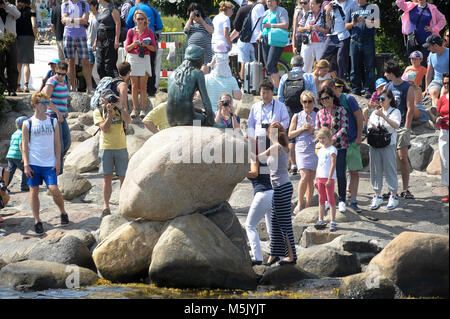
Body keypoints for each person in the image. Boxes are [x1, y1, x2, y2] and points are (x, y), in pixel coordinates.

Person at [22, 92, 69, 235]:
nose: (46, 106)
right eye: (43, 103)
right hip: (34, 162)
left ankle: (63, 212)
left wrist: (58, 161)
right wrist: (26, 164)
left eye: (47, 103)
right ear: (35, 105)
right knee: (34, 190)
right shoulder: (27, 123)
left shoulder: (52, 121)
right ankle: (37, 220)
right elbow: (24, 145)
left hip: (50, 163)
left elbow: (57, 143)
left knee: (54, 188)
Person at [257, 122, 297, 266]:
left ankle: (291, 256)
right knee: (274, 221)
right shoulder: (283, 147)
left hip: (281, 188)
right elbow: (260, 157)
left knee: (284, 223)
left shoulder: (276, 147)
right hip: (282, 187)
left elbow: (260, 157)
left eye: (269, 133)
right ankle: (275, 254)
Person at [327, 78, 363, 212]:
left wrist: (359, 136)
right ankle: (340, 199)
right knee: (339, 173)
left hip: (352, 140)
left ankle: (353, 200)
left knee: (353, 171)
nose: (334, 90)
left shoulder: (349, 99)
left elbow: (359, 117)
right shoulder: (330, 100)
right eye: (333, 87)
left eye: (337, 87)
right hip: (337, 143)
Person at [93, 89, 131, 217]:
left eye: (112, 98)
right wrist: (109, 115)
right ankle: (106, 206)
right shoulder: (98, 111)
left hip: (121, 146)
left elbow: (128, 121)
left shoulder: (120, 108)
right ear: (103, 100)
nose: (111, 101)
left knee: (123, 178)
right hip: (106, 148)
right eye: (108, 99)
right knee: (107, 178)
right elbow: (104, 128)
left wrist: (120, 107)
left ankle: (123, 204)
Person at [278, 55, 317, 174]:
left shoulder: (285, 77)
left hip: (289, 108)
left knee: (291, 136)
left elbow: (280, 96)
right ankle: (307, 162)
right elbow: (313, 94)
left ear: (291, 65)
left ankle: (293, 164)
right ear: (303, 65)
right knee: (307, 133)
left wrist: (283, 110)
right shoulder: (308, 76)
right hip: (305, 106)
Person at [384, 59, 416, 200]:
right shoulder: (388, 86)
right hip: (390, 126)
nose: (385, 74)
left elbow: (410, 108)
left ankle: (405, 189)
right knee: (390, 159)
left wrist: (407, 127)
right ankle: (392, 189)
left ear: (391, 73)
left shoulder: (406, 87)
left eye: (386, 72)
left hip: (402, 126)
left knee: (402, 158)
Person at [315, 86, 348, 212]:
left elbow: (344, 127)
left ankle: (342, 200)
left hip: (340, 146)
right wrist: (322, 141)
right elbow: (317, 130)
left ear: (332, 97)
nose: (324, 101)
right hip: (325, 148)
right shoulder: (319, 113)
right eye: (322, 99)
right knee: (325, 174)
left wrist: (332, 138)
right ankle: (329, 200)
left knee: (340, 173)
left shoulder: (341, 110)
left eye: (327, 98)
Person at [368, 89, 402, 210]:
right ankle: (377, 195)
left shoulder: (395, 111)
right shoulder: (374, 113)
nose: (380, 101)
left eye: (383, 99)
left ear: (390, 99)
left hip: (389, 144)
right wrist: (374, 126)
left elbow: (396, 125)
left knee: (390, 169)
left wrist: (383, 116)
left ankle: (393, 195)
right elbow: (369, 125)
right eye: (379, 99)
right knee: (375, 169)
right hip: (375, 144)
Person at [125, 0, 164, 97]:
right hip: (151, 42)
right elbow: (159, 26)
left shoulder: (135, 9)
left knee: (133, 69)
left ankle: (133, 89)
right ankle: (150, 90)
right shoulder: (152, 9)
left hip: (136, 45)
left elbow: (127, 25)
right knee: (150, 67)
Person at [288, 90, 318, 214]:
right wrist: (302, 128)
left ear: (313, 102)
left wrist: (314, 131)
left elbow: (324, 132)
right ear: (301, 102)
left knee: (311, 178)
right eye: (304, 101)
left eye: (309, 101)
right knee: (304, 175)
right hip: (301, 148)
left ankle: (308, 204)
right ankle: (300, 203)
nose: (307, 104)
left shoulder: (319, 115)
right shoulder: (297, 116)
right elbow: (290, 133)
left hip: (314, 148)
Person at [246, 138, 273, 266]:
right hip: (272, 194)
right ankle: (277, 255)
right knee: (271, 228)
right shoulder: (262, 159)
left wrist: (242, 172)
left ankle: (258, 258)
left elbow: (255, 173)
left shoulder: (253, 158)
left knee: (249, 226)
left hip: (262, 194)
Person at [125, 10, 156, 119]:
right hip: (133, 58)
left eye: (142, 19)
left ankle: (143, 108)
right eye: (138, 19)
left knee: (143, 86)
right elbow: (127, 48)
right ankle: (135, 108)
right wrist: (134, 43)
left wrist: (144, 44)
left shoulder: (149, 31)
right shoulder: (131, 32)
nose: (140, 21)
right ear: (135, 20)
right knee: (134, 86)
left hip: (144, 58)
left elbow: (154, 48)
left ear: (145, 20)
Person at [396, 0, 446, 67]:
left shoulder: (432, 8)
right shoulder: (410, 6)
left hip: (426, 41)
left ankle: (426, 77)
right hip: (412, 40)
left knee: (425, 64)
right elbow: (399, 2)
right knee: (413, 65)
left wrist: (434, 29)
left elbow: (442, 20)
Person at [345, 0, 380, 98]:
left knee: (369, 66)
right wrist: (353, 22)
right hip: (355, 40)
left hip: (368, 39)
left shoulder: (373, 7)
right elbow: (346, 26)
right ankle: (356, 89)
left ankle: (369, 90)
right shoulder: (352, 8)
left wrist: (365, 20)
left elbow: (377, 23)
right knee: (354, 67)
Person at [42, 61, 71, 175]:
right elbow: (46, 99)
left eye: (63, 74)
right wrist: (58, 112)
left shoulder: (64, 80)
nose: (60, 76)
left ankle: (54, 162)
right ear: (55, 70)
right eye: (58, 73)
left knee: (67, 142)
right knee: (60, 144)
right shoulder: (51, 81)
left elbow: (63, 98)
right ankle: (58, 172)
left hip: (62, 115)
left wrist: (65, 110)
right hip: (53, 116)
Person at [257, 0, 289, 95]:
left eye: (271, 1)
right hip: (266, 39)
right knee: (268, 65)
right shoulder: (266, 13)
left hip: (276, 39)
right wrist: (260, 36)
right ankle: (273, 87)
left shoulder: (281, 11)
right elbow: (262, 28)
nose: (269, 3)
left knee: (271, 63)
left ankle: (277, 88)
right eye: (267, 1)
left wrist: (271, 25)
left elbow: (286, 25)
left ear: (276, 2)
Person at [61, 0, 94, 93]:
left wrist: (70, 20)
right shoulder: (65, 4)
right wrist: (79, 20)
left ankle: (90, 88)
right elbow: (64, 20)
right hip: (68, 35)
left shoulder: (84, 4)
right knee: (70, 62)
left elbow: (85, 20)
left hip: (81, 36)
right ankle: (73, 88)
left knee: (85, 61)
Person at [320, 0, 357, 81]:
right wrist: (328, 12)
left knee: (341, 60)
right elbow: (329, 24)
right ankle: (336, 78)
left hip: (344, 35)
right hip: (332, 35)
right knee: (323, 58)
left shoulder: (352, 2)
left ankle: (341, 83)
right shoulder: (333, 3)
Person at [314, 127, 338, 230]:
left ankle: (332, 221)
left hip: (329, 179)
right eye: (319, 138)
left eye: (323, 138)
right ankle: (321, 218)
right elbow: (318, 165)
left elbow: (333, 164)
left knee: (331, 200)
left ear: (329, 137)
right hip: (320, 178)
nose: (321, 140)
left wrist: (329, 178)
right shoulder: (320, 150)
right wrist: (316, 178)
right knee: (321, 199)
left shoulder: (332, 149)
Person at [298, 0, 328, 74]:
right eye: (310, 4)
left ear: (319, 4)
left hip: (321, 43)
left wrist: (319, 29)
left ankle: (322, 84)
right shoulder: (307, 14)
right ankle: (306, 83)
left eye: (313, 4)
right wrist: (307, 27)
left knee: (321, 66)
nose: (310, 6)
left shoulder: (324, 14)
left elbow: (328, 30)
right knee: (305, 66)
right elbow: (299, 28)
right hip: (307, 43)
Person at [184, 3, 214, 75]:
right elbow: (185, 31)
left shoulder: (206, 20)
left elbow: (212, 31)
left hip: (205, 50)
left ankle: (203, 84)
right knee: (192, 69)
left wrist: (202, 21)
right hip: (192, 52)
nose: (195, 14)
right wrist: (190, 19)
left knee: (204, 68)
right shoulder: (189, 22)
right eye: (192, 12)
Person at [230, 0, 256, 80]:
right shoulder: (260, 8)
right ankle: (256, 85)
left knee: (244, 64)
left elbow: (237, 28)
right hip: (256, 41)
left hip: (244, 40)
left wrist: (229, 39)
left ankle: (244, 85)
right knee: (256, 64)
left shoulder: (242, 9)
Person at [93, 0, 120, 79]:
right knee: (99, 65)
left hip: (110, 38)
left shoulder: (113, 8)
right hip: (100, 38)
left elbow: (118, 23)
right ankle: (104, 85)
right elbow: (99, 26)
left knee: (109, 65)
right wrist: (95, 41)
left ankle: (113, 85)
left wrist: (116, 39)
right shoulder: (101, 9)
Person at [424, 35, 449, 113]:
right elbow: (429, 71)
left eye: (429, 46)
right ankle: (435, 109)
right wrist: (426, 88)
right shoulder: (431, 55)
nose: (428, 49)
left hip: (447, 79)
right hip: (437, 80)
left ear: (436, 46)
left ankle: (441, 112)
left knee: (443, 93)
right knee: (433, 92)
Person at [16, 0, 37, 94]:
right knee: (27, 63)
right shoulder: (31, 11)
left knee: (18, 63)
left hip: (18, 36)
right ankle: (26, 86)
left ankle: (17, 86)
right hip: (28, 37)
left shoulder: (16, 10)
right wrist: (35, 35)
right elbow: (34, 25)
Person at [0, 0, 21, 96]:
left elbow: (18, 14)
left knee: (12, 64)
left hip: (11, 39)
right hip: (0, 39)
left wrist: (6, 6)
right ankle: (1, 87)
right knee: (0, 65)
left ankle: (12, 88)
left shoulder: (11, 7)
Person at [6, 116, 29, 192]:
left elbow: (11, 143)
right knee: (25, 170)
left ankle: (4, 186)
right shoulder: (22, 133)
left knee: (10, 172)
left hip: (10, 155)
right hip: (18, 155)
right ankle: (24, 186)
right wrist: (23, 156)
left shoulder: (14, 133)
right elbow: (21, 144)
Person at [436, 72, 449, 203]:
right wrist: (438, 118)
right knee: (445, 161)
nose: (446, 85)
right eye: (444, 83)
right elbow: (438, 113)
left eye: (448, 83)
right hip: (444, 131)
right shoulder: (442, 98)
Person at [87, 0, 99, 76]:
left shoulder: (100, 16)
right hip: (89, 44)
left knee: (98, 65)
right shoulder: (89, 16)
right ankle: (90, 84)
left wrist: (95, 42)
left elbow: (99, 31)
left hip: (96, 45)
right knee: (89, 65)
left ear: (95, 6)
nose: (89, 7)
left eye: (90, 5)